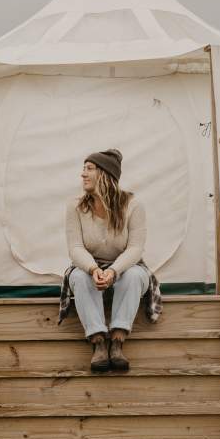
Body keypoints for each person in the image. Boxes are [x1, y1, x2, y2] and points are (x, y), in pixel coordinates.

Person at [63, 148, 154, 372]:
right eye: (83, 169)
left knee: (132, 276)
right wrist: (93, 269)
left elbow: (135, 248)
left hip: (126, 265)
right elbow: (75, 248)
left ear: (105, 174)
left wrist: (113, 271)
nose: (82, 174)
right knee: (79, 278)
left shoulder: (133, 205)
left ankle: (117, 341)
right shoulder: (75, 206)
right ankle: (99, 343)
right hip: (89, 265)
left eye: (89, 169)